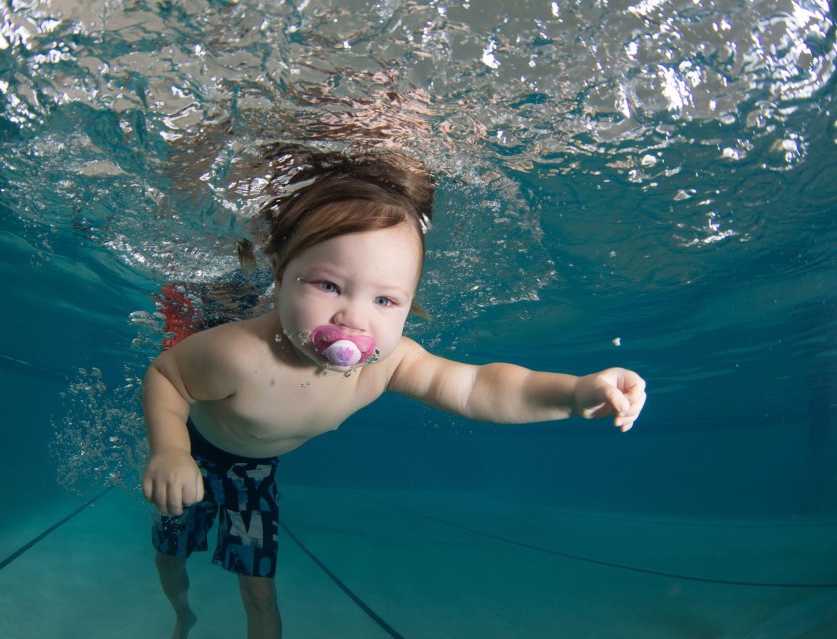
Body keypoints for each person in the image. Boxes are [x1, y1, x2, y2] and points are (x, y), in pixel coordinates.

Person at [141, 149, 647, 639]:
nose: (353, 318)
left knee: (259, 590)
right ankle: (181, 616)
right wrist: (171, 451)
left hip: (256, 472)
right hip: (196, 453)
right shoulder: (238, 353)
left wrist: (574, 393)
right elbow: (166, 376)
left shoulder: (389, 361)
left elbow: (477, 387)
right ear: (280, 274)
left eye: (384, 299)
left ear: (408, 307)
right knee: (173, 555)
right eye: (328, 285)